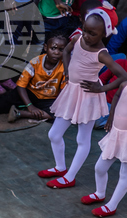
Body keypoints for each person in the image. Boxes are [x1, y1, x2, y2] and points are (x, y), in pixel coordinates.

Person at [41, 6, 126, 189]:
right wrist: (66, 71)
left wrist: (101, 88)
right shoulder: (78, 38)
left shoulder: (102, 54)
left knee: (82, 139)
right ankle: (60, 166)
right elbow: (66, 51)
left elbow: (123, 76)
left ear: (104, 34)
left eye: (92, 33)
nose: (86, 35)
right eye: (86, 30)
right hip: (71, 93)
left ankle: (69, 176)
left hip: (88, 98)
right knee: (54, 134)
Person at [4, 35, 68, 122]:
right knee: (0, 105)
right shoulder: (35, 62)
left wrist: (59, 105)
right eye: (53, 48)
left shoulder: (64, 66)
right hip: (31, 93)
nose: (56, 52)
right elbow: (21, 86)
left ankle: (20, 113)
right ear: (45, 47)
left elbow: (63, 91)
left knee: (61, 114)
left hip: (49, 99)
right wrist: (30, 105)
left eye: (61, 50)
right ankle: (29, 108)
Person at [88, 83, 127, 216]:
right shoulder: (125, 84)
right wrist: (111, 115)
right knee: (100, 167)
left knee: (125, 174)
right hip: (117, 134)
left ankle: (112, 206)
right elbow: (117, 96)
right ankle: (100, 193)